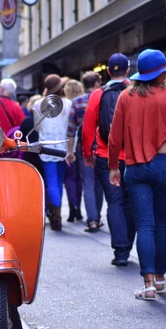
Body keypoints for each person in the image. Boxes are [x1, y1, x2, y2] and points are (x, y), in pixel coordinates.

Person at [108, 49, 166, 300]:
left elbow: (114, 137)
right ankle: (162, 277)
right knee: (161, 225)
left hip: (136, 168)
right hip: (165, 165)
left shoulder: (125, 96)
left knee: (144, 224)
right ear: (160, 72)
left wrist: (113, 166)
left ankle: (149, 284)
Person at [82, 53, 135, 265]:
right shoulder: (136, 91)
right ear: (128, 70)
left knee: (115, 202)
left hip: (106, 157)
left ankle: (121, 252)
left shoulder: (98, 94)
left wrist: (87, 154)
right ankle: (128, 245)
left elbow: (87, 128)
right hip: (134, 156)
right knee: (130, 203)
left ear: (108, 71)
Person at [66, 72, 104, 232]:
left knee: (87, 183)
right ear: (96, 84)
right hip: (102, 147)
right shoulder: (104, 98)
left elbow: (71, 130)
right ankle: (98, 216)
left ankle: (92, 219)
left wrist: (70, 151)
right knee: (100, 183)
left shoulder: (77, 102)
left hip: (84, 147)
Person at [33, 74, 71, 231]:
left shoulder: (37, 104)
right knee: (59, 182)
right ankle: (58, 214)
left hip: (46, 146)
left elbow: (36, 127)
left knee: (51, 182)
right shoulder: (68, 103)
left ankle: (56, 217)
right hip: (64, 147)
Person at [62, 79, 85, 222]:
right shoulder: (83, 103)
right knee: (79, 179)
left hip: (66, 144)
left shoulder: (64, 105)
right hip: (80, 144)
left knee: (69, 179)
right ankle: (79, 208)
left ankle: (72, 208)